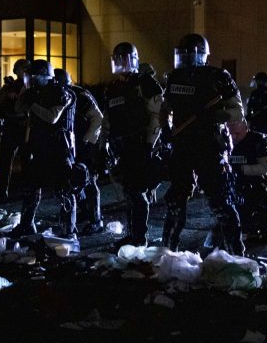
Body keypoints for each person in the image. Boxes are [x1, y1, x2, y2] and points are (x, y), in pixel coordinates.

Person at [162, 34, 245, 255]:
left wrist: (216, 115)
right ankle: (168, 251)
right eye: (183, 55)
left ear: (201, 55)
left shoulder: (218, 77)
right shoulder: (174, 77)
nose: (186, 60)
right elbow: (167, 107)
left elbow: (238, 111)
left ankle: (236, 253)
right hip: (182, 145)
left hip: (210, 145)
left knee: (221, 201)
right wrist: (165, 129)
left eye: (190, 55)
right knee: (176, 200)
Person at [101, 42, 162, 247]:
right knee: (129, 192)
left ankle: (139, 237)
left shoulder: (144, 83)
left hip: (140, 145)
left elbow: (157, 116)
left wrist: (149, 144)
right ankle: (133, 234)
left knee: (137, 192)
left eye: (124, 59)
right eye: (117, 59)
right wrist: (104, 145)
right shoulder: (113, 87)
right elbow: (108, 119)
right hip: (122, 147)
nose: (120, 63)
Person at [12, 60, 77, 237]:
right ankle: (27, 224)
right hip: (39, 147)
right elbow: (18, 108)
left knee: (64, 190)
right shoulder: (34, 92)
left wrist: (32, 104)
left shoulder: (60, 92)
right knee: (31, 188)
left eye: (33, 77)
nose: (31, 81)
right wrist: (24, 93)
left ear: (43, 76)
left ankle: (68, 230)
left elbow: (52, 117)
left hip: (58, 148)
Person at [54, 68, 105, 234]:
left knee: (88, 181)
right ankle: (85, 212)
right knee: (75, 180)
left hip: (87, 143)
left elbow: (97, 118)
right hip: (74, 143)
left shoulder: (80, 95)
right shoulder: (63, 94)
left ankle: (96, 220)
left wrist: (87, 141)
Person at [227, 118, 267, 243]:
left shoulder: (259, 140)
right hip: (234, 182)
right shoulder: (225, 139)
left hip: (256, 182)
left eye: (237, 134)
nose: (234, 137)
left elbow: (264, 168)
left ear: (246, 128)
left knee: (266, 200)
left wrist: (240, 169)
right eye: (231, 133)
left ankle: (265, 226)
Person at [0, 59, 30, 199]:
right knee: (6, 160)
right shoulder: (11, 85)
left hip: (23, 123)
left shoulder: (29, 86)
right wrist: (7, 92)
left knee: (25, 159)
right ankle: (3, 191)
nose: (16, 70)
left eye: (18, 68)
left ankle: (27, 190)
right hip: (11, 123)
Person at [246, 72, 267, 172]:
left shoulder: (255, 93)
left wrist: (250, 118)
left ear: (260, 81)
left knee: (257, 147)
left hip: (258, 125)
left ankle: (262, 170)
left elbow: (249, 109)